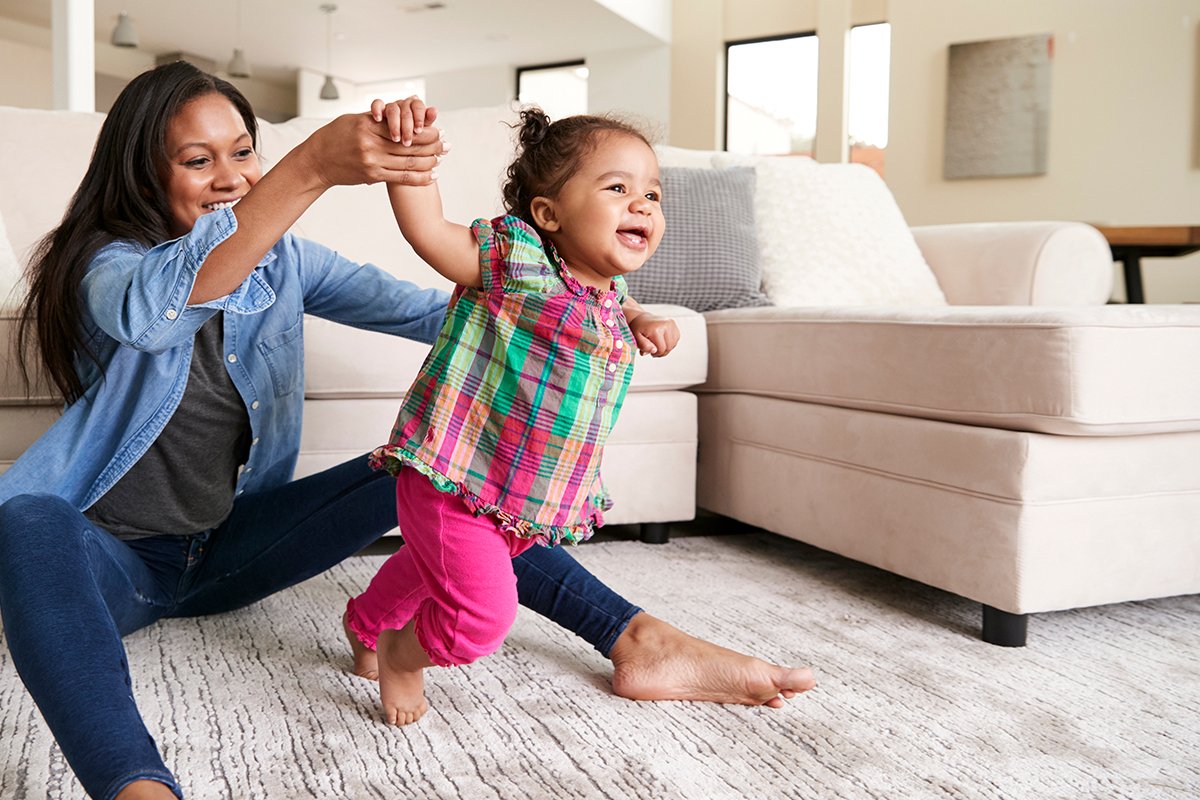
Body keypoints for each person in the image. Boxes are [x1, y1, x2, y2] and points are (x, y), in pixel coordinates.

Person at [0, 62, 814, 800]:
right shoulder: (105, 265)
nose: (230, 178)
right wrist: (311, 164)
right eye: (197, 160)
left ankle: (634, 638)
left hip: (229, 549)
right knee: (27, 520)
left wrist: (602, 307)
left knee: (428, 469)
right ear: (145, 173)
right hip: (110, 563)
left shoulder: (286, 264)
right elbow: (163, 308)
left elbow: (454, 309)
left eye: (243, 152)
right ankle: (137, 788)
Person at [343, 100, 681, 725]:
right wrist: (409, 163)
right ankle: (401, 650)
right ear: (549, 214)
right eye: (618, 188)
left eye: (653, 194)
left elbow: (619, 310)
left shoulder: (611, 291)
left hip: (528, 492)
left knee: (425, 567)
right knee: (479, 619)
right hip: (458, 473)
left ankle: (366, 621)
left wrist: (643, 319)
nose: (642, 204)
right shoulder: (519, 261)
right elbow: (432, 234)